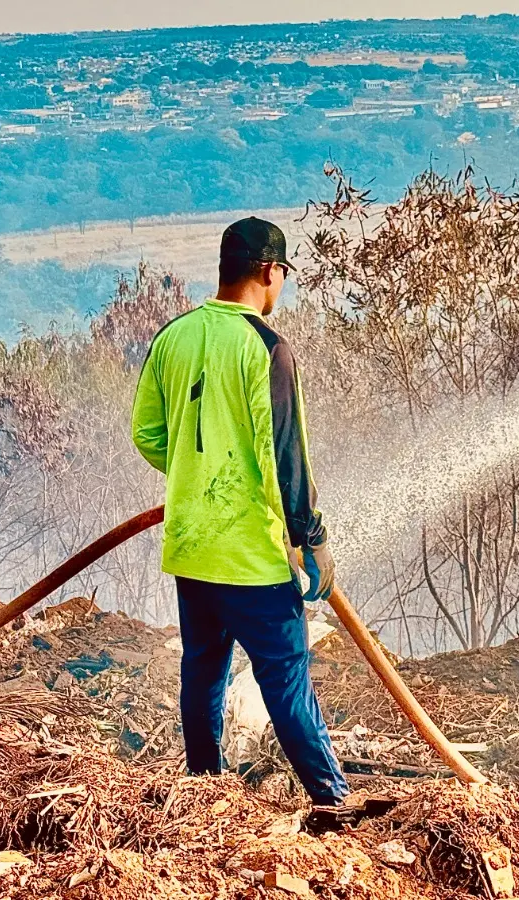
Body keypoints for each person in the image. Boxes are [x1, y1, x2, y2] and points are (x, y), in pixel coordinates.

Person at [131, 216, 352, 812]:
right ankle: (333, 803)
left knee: (203, 668)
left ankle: (204, 790)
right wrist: (312, 537)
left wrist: (197, 480)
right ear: (267, 272)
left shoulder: (172, 338)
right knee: (286, 676)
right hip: (253, 553)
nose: (281, 285)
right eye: (282, 274)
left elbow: (148, 434)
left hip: (193, 547)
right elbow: (287, 455)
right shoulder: (268, 348)